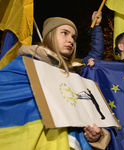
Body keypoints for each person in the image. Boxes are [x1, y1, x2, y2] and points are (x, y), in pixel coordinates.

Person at [1, 11, 110, 150]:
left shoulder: (73, 74)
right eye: (64, 33)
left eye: (73, 37)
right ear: (50, 36)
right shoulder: (23, 65)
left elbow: (88, 114)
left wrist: (96, 136)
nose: (71, 40)